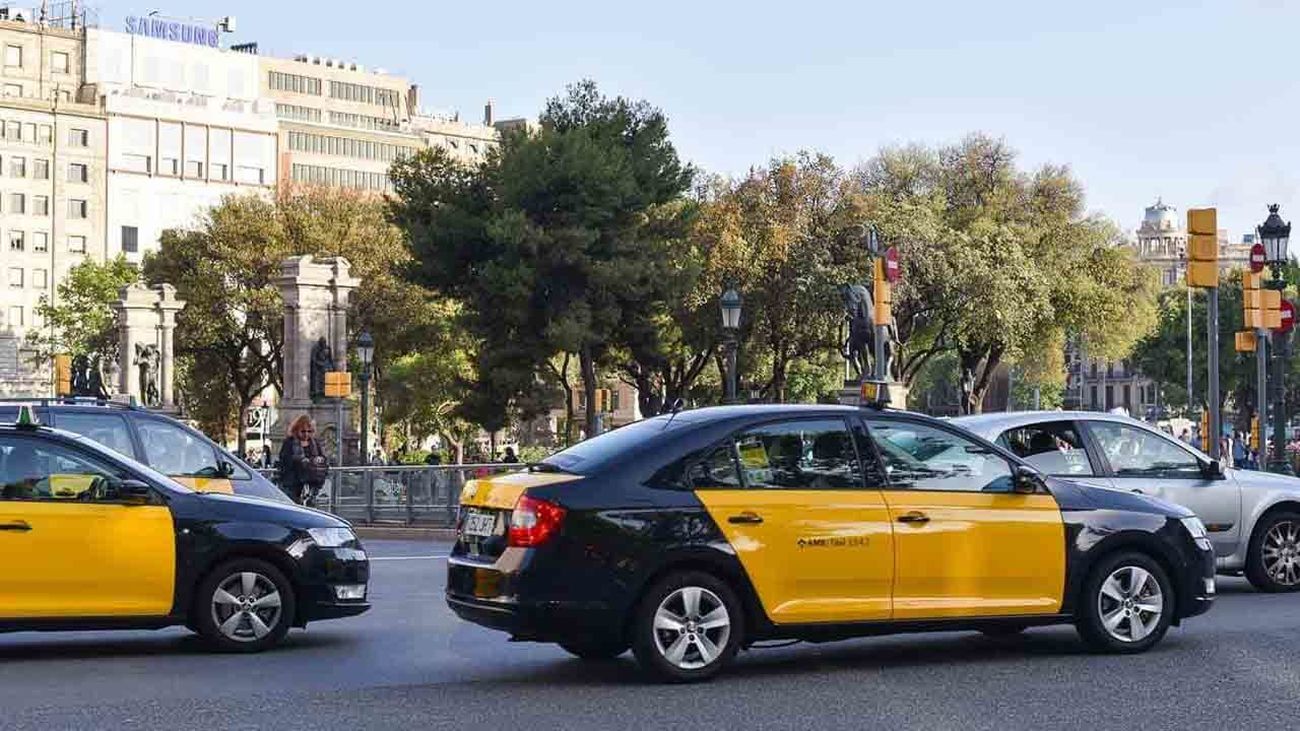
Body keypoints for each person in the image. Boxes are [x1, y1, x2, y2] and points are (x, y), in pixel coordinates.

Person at [278, 415, 330, 506]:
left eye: (309, 431)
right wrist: (300, 461)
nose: (306, 434)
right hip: (293, 482)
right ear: (296, 430)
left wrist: (317, 460)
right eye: (303, 431)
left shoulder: (315, 443)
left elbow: (324, 458)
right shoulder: (289, 442)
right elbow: (284, 460)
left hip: (312, 481)